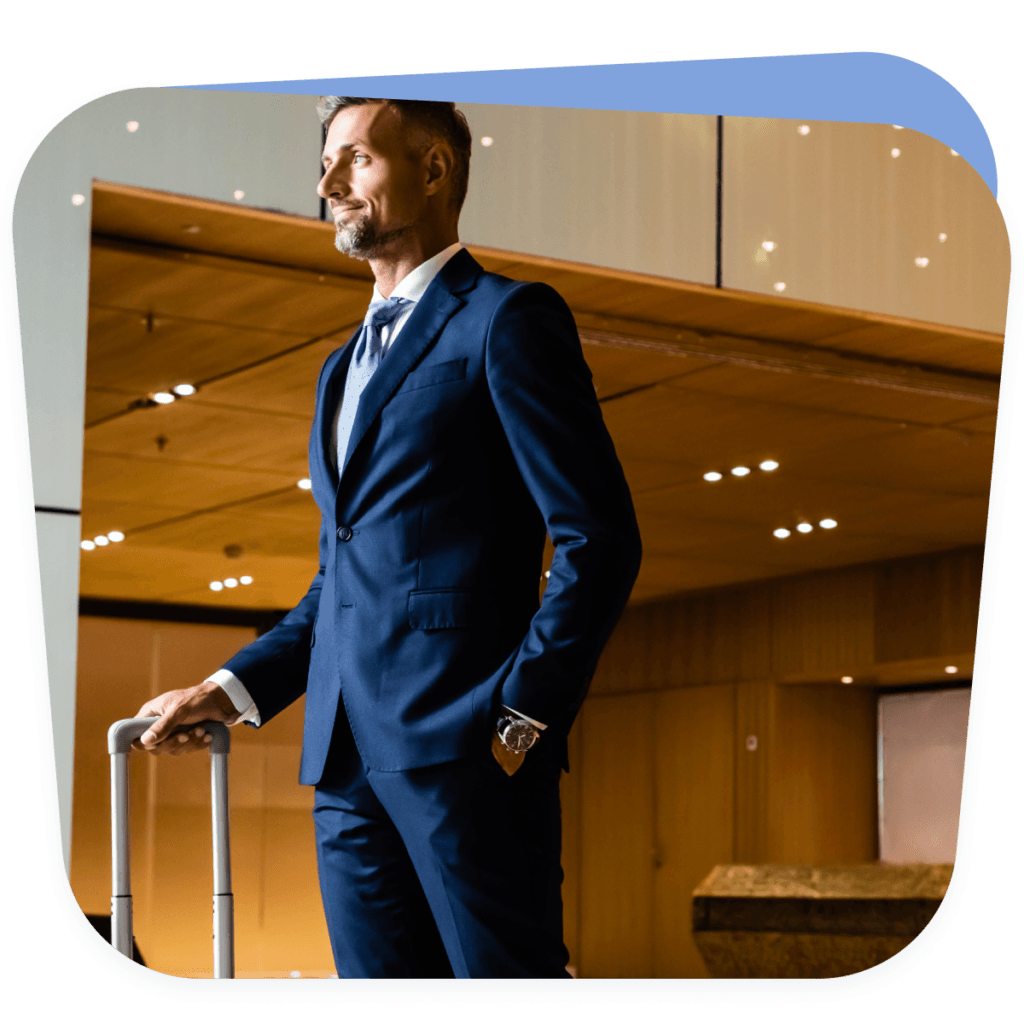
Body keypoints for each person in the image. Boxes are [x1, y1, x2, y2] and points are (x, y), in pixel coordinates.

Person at [133, 96, 642, 979]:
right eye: (326, 162)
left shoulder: (506, 319)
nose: (328, 183)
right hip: (341, 766)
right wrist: (231, 686)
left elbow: (598, 541)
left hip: (467, 755)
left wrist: (516, 724)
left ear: (435, 168)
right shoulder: (340, 368)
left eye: (355, 159)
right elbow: (344, 575)